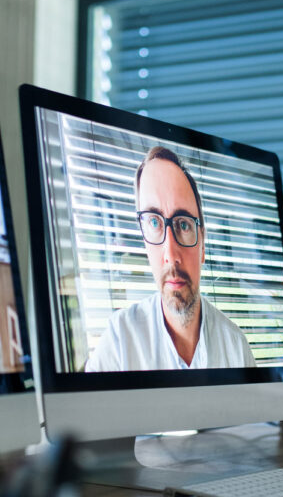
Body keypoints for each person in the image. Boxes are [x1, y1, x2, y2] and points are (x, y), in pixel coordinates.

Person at [85, 146, 256, 371]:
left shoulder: (235, 346)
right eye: (154, 223)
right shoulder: (119, 343)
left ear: (202, 245)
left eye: (183, 225)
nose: (170, 255)